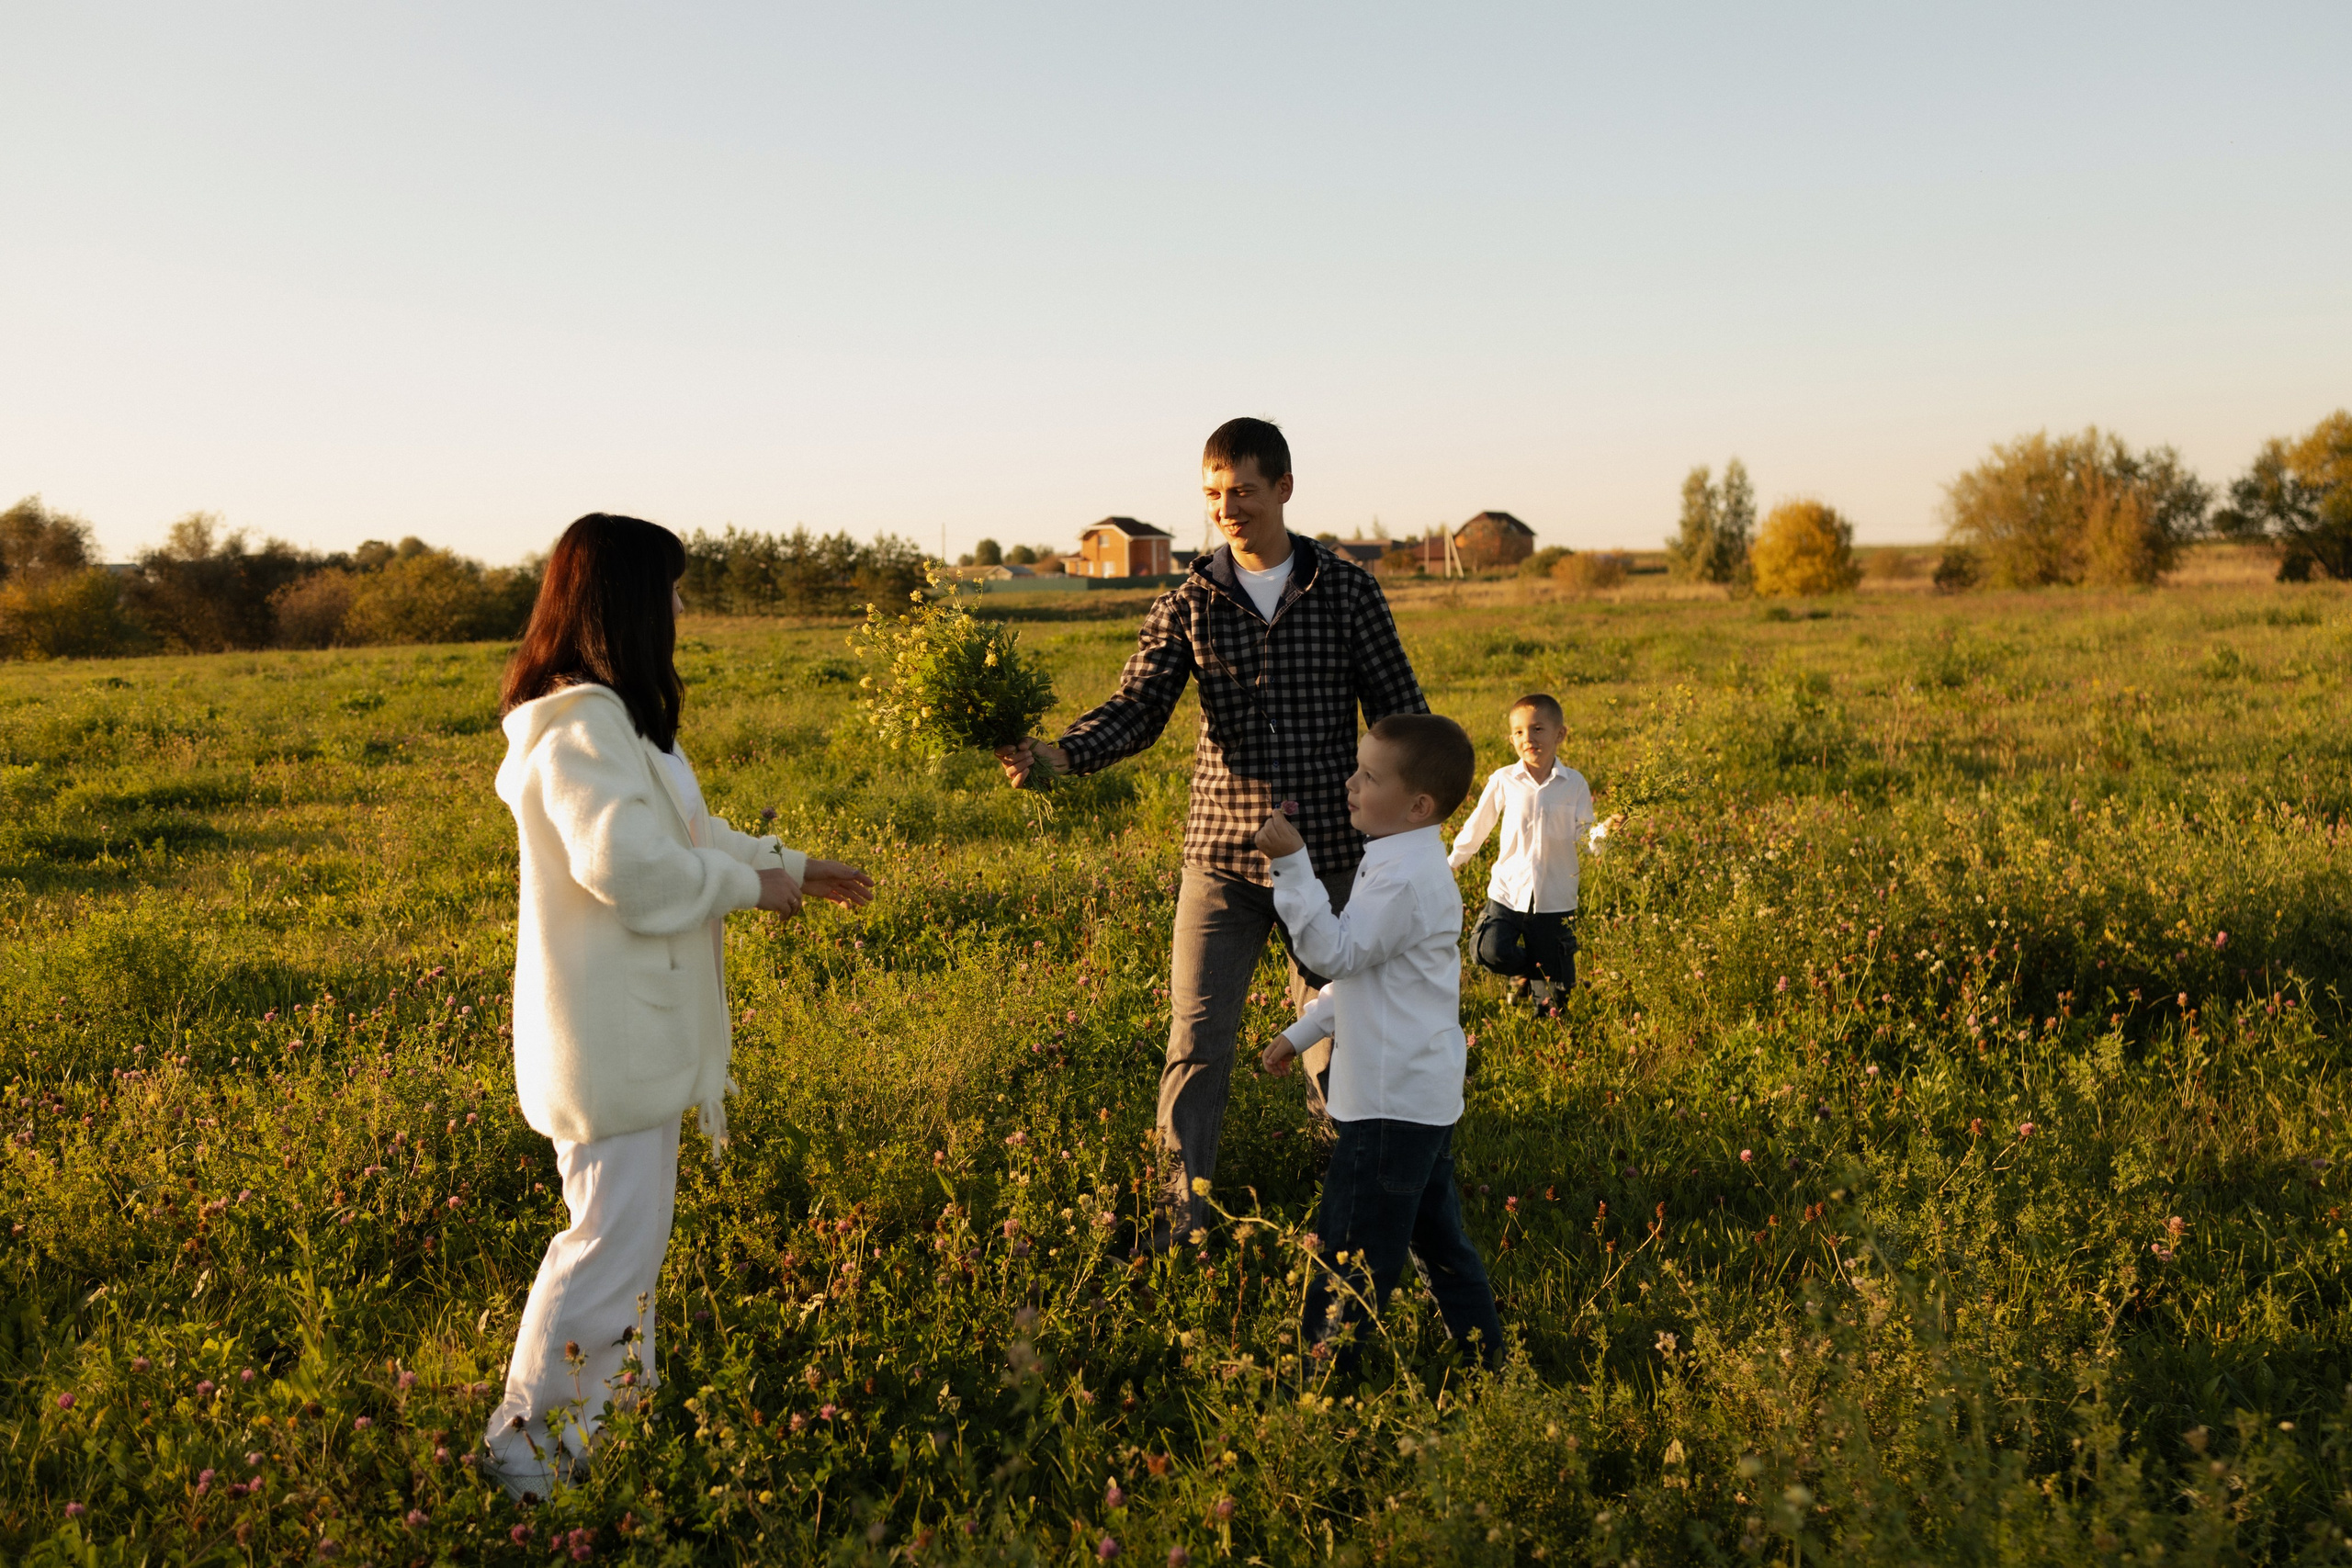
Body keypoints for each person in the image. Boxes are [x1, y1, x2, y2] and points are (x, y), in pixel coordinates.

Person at [482, 513, 873, 1498]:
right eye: (670, 587)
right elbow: (633, 870)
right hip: (606, 1040)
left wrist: (792, 865)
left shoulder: (610, 721)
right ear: (622, 598)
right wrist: (750, 890)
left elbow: (689, 834)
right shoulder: (576, 727)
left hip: (631, 1036)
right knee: (605, 1244)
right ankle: (528, 1457)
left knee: (625, 1241)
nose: (681, 605)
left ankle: (603, 1432)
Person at [995, 417, 1426, 1247]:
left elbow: (1400, 711)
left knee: (1340, 1036)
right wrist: (1061, 753)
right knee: (1194, 1043)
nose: (1226, 508)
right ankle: (1175, 1223)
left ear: (1285, 490)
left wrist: (1409, 830)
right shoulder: (1189, 602)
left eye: (1243, 492)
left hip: (1333, 857)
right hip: (1223, 858)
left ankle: (1353, 1212)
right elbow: (1137, 707)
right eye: (1213, 494)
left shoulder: (1346, 590)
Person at [1256, 713, 1503, 1370]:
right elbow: (1367, 976)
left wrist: (1292, 865)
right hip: (1416, 1096)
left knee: (1350, 1252)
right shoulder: (1396, 860)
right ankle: (1487, 1363)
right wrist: (1301, 1031)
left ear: (1418, 804)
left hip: (1389, 1106)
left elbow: (1334, 954)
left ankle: (1316, 1390)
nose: (1350, 783)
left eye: (1369, 776)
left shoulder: (1402, 877)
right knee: (1438, 1239)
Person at [1447, 693, 1618, 1012]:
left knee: (1552, 1002)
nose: (1529, 738)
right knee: (1488, 949)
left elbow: (1586, 837)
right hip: (1508, 892)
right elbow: (1478, 825)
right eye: (1520, 732)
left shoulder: (1574, 784)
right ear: (1511, 738)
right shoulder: (1504, 780)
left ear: (1560, 734)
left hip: (1555, 897)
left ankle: (1545, 987)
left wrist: (1606, 830)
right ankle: (1525, 971)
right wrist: (1453, 862)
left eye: (1538, 729)